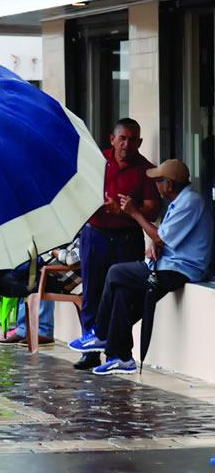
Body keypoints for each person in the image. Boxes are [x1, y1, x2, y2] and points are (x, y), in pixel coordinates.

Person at [70, 159, 214, 374]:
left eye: (158, 181)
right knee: (122, 293)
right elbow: (162, 238)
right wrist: (155, 244)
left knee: (116, 272)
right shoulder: (180, 202)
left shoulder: (190, 202)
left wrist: (134, 212)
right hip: (167, 263)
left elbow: (161, 237)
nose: (156, 186)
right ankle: (122, 357)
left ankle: (100, 334)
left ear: (169, 184)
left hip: (179, 270)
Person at [72, 118, 160, 370]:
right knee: (92, 293)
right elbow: (78, 191)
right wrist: (99, 204)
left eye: (132, 139)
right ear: (112, 139)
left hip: (127, 238)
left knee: (123, 294)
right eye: (122, 138)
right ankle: (91, 352)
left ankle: (117, 352)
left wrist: (123, 210)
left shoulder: (146, 169)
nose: (126, 144)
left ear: (140, 142)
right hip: (95, 234)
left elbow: (152, 210)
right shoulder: (96, 161)